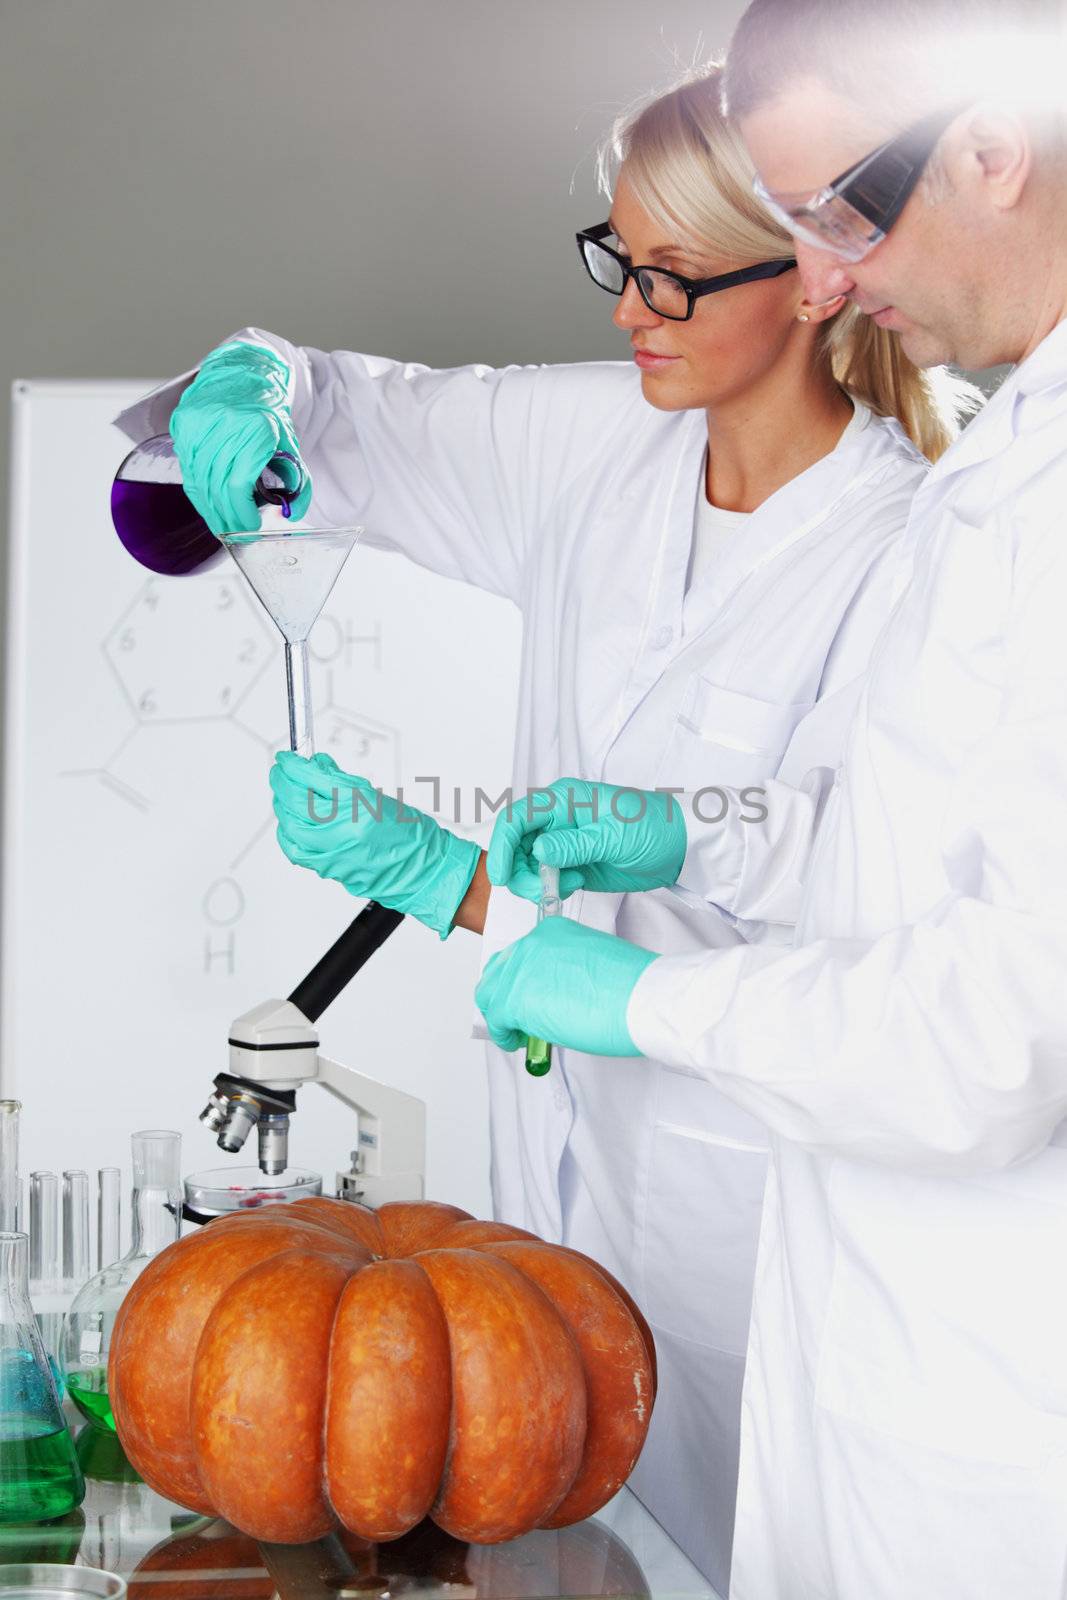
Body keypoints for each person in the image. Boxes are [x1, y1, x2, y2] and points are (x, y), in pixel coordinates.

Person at [115, 65, 972, 1589]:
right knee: (546, 1522)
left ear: (813, 280)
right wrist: (243, 395)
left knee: (753, 1556)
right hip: (542, 1217)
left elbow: (861, 939)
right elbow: (330, 404)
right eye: (614, 256)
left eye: (674, 274)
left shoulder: (914, 549)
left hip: (756, 1218)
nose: (630, 308)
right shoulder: (599, 444)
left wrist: (448, 883)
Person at [474, 4, 1067, 1596]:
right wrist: (697, 834)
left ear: (993, 148)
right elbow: (919, 856)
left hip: (993, 1428)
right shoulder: (1013, 467)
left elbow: (1000, 1034)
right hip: (885, 1371)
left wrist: (658, 1001)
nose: (820, 286)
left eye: (834, 216)